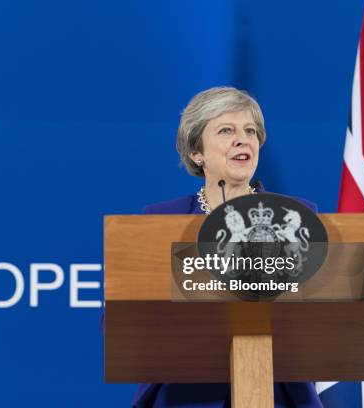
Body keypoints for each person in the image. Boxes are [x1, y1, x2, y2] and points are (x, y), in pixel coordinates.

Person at [133, 87, 322, 408]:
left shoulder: (298, 216)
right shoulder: (161, 219)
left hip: (278, 391)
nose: (243, 139)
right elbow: (123, 317)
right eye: (226, 131)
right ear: (197, 152)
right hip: (185, 393)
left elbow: (323, 305)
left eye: (250, 131)